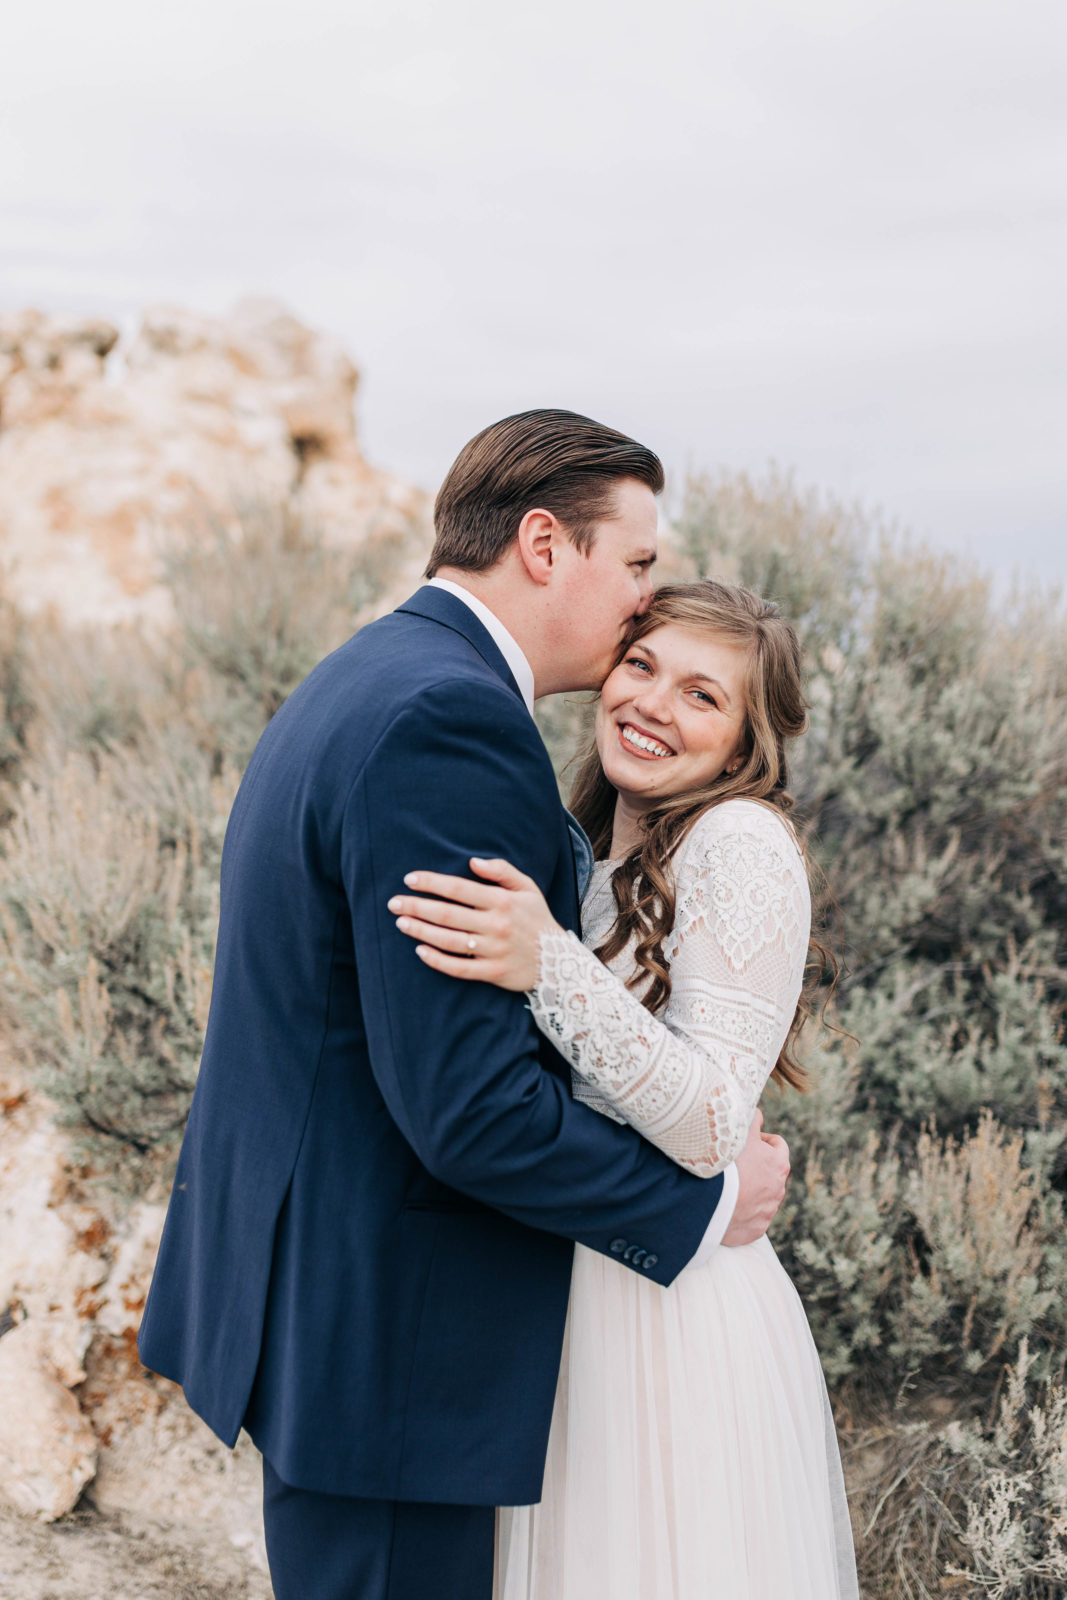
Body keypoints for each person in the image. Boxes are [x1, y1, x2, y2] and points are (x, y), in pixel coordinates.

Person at [137, 411, 790, 1600]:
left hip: (336, 1304)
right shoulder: (451, 721)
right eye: (635, 563)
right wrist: (696, 1208)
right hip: (389, 1332)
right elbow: (467, 1109)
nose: (642, 600)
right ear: (545, 545)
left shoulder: (372, 671)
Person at [390, 580, 860, 1598]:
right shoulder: (588, 843)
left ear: (742, 745)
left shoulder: (736, 842)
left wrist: (546, 962)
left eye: (701, 695)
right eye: (641, 665)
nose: (650, 703)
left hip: (668, 1312)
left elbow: (708, 1125)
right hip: (564, 1284)